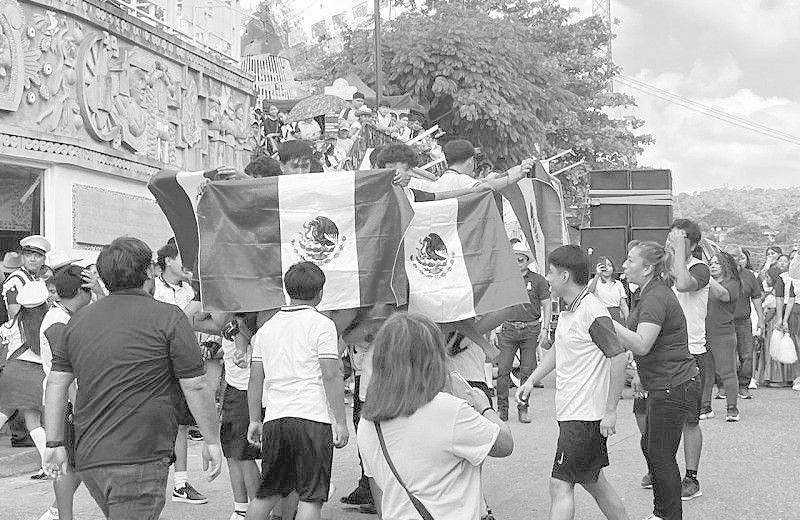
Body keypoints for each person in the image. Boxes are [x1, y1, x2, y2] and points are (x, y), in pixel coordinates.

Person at [42, 237, 223, 520]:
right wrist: (212, 440)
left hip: (92, 456)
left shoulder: (78, 320)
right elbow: (196, 385)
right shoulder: (169, 317)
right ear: (148, 271)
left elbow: (56, 383)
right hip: (140, 455)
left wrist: (54, 443)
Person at [356, 312, 513, 520]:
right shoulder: (449, 410)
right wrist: (485, 408)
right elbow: (504, 444)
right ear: (433, 358)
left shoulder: (368, 422)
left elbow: (379, 493)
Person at [517, 245, 629, 520]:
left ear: (564, 276)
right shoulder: (572, 309)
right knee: (595, 483)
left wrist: (611, 410)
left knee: (560, 484)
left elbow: (618, 357)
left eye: (551, 272)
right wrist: (531, 380)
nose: (548, 277)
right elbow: (560, 349)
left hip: (584, 417)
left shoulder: (592, 310)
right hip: (572, 413)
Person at [246, 262, 349, 520]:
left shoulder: (266, 328)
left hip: (275, 419)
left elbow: (255, 379)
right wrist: (340, 421)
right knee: (311, 497)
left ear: (287, 290)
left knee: (266, 494)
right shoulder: (323, 324)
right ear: (320, 293)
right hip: (312, 418)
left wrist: (254, 420)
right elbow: (331, 374)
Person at [613, 241, 700, 520]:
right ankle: (663, 513)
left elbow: (642, 343)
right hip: (664, 383)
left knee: (660, 454)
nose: (624, 265)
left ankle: (666, 515)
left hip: (673, 384)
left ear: (648, 268)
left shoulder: (655, 297)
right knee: (652, 448)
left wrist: (605, 320)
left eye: (630, 260)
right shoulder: (649, 293)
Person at [37, 264, 97, 520]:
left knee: (78, 464)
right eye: (89, 290)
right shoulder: (57, 322)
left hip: (71, 402)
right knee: (70, 465)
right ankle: (61, 515)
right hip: (66, 404)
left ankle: (56, 512)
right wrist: (78, 407)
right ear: (81, 292)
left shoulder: (67, 316)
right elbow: (65, 374)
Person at [153, 241, 208, 505]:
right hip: (157, 364)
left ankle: (180, 483)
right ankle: (154, 479)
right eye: (182, 259)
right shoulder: (152, 288)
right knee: (156, 422)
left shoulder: (190, 291)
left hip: (183, 364)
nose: (188, 266)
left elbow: (198, 323)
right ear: (167, 261)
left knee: (181, 424)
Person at [665, 219, 707, 500]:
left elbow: (683, 284)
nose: (672, 242)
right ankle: (660, 468)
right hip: (661, 351)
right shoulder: (661, 269)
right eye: (670, 237)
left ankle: (691, 477)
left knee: (689, 421)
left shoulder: (700, 269)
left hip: (690, 352)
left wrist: (678, 254)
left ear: (692, 244)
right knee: (651, 415)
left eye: (680, 239)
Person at [494, 241, 551, 423]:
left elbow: (546, 304)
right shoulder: (505, 280)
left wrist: (545, 328)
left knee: (527, 372)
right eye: (514, 259)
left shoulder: (538, 280)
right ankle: (502, 409)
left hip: (530, 329)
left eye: (521, 259)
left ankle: (523, 408)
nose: (517, 262)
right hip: (508, 328)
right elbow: (497, 303)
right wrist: (495, 327)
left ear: (527, 261)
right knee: (503, 370)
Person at [0, 281, 50, 478]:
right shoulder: (49, 323)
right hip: (35, 375)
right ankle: (47, 465)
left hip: (12, 372)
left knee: (4, 411)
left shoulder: (9, 326)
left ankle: (47, 465)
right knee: (33, 421)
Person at [219, 314, 262, 520]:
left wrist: (238, 331)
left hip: (247, 389)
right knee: (233, 451)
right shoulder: (232, 318)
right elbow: (196, 320)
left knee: (244, 454)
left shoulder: (246, 317)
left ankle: (258, 511)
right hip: (237, 386)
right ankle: (242, 509)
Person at [705, 252, 741, 421]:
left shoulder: (732, 283)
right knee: (705, 373)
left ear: (726, 265)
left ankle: (732, 408)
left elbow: (723, 295)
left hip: (723, 334)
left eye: (717, 263)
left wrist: (706, 276)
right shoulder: (704, 284)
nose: (712, 266)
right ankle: (705, 406)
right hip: (703, 333)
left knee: (727, 372)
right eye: (710, 263)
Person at [726, 246, 764, 398]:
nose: (733, 258)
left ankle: (743, 386)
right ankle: (724, 387)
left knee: (746, 355)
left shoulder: (749, 275)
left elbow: (756, 297)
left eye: (737, 255)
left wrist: (761, 319)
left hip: (743, 321)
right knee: (726, 355)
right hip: (724, 322)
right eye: (730, 255)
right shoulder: (718, 275)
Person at [762, 259, 796, 387]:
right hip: (783, 316)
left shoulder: (785, 281)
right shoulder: (783, 280)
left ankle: (780, 378)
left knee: (780, 347)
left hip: (780, 318)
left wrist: (779, 319)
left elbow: (778, 303)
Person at [2, 235, 51, 321]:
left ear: (44, 259)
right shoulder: (16, 280)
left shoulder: (40, 279)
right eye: (28, 255)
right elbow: (15, 316)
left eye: (37, 256)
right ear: (22, 258)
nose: (32, 259)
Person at [590, 257, 629, 323]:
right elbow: (589, 294)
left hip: (616, 315)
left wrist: (628, 321)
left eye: (609, 265)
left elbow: (623, 305)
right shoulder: (593, 281)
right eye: (604, 266)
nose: (607, 268)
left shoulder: (618, 284)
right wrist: (597, 275)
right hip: (600, 315)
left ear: (613, 268)